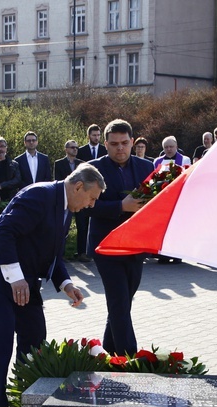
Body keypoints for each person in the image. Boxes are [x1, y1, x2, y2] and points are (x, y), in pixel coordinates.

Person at [0, 164, 105, 407]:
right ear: (78, 187)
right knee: (2, 331)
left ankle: (25, 393)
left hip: (25, 274)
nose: (91, 204)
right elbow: (3, 232)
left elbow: (51, 252)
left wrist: (66, 284)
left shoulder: (67, 208)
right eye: (91, 198)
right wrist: (15, 277)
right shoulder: (39, 195)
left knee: (34, 332)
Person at [86, 119, 153, 355]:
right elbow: (86, 206)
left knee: (122, 303)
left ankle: (108, 351)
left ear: (133, 142)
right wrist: (121, 206)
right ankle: (129, 359)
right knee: (118, 301)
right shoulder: (92, 169)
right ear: (105, 144)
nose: (120, 148)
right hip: (106, 246)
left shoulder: (147, 168)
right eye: (114, 144)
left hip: (135, 245)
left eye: (125, 143)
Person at [54, 140, 90, 262]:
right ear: (66, 149)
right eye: (72, 147)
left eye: (76, 147)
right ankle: (61, 253)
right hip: (66, 198)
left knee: (82, 226)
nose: (75, 149)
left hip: (79, 199)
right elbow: (58, 180)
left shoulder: (82, 164)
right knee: (63, 227)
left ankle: (82, 252)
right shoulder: (59, 163)